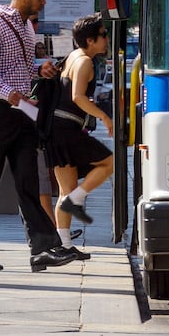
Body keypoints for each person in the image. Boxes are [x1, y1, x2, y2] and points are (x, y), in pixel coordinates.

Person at [0, 0, 77, 273]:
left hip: (21, 111)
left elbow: (20, 69)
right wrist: (10, 94)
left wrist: (42, 70)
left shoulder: (26, 26)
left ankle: (42, 249)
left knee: (28, 180)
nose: (44, 2)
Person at [50, 14, 115, 241]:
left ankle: (64, 244)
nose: (107, 39)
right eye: (103, 35)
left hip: (56, 129)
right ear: (90, 40)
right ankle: (76, 199)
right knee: (109, 162)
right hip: (67, 128)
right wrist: (105, 118)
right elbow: (78, 97)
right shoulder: (85, 61)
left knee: (65, 190)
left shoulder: (73, 56)